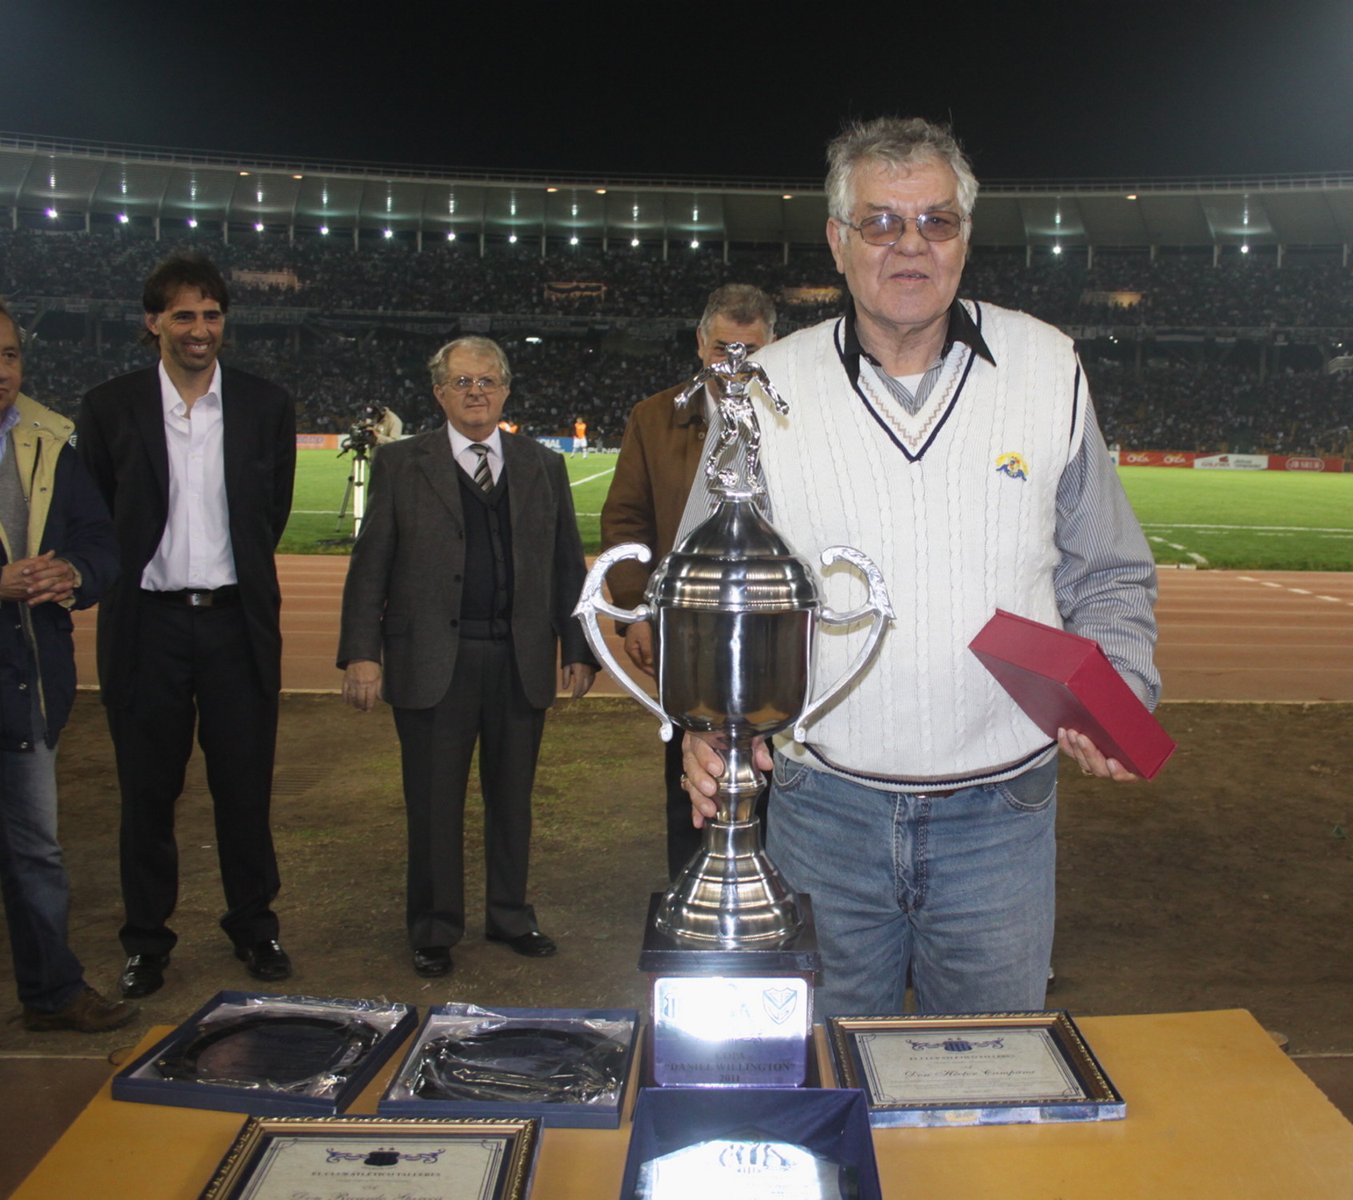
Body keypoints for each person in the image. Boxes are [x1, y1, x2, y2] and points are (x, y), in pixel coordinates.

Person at [682, 117, 1159, 1018]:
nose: (911, 245)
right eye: (881, 223)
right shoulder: (758, 391)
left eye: (936, 222)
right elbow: (711, 597)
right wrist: (710, 723)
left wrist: (1120, 685)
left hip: (1001, 821)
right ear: (837, 239)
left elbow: (1109, 571)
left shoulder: (1048, 365)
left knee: (989, 1086)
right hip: (823, 811)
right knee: (821, 1078)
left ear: (965, 239)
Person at [337, 336, 598, 979]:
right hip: (432, 660)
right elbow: (370, 565)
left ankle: (510, 914)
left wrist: (579, 647)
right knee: (433, 802)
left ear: (506, 390)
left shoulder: (542, 464)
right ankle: (433, 927)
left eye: (487, 381)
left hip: (519, 659)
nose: (475, 392)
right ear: (439, 393)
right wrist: (360, 654)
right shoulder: (402, 464)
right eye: (461, 382)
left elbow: (568, 565)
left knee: (514, 800)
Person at [77, 252, 297, 999]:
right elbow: (103, 516)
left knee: (245, 790)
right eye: (183, 315)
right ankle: (146, 941)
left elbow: (273, 515)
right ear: (153, 323)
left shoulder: (266, 405)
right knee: (147, 793)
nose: (199, 329)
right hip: (149, 626)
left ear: (223, 323)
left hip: (236, 625)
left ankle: (254, 926)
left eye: (210, 315)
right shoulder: (110, 407)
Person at [600, 284, 777, 879]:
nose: (734, 361)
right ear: (700, 343)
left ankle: (765, 891)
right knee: (689, 774)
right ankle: (692, 891)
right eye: (723, 346)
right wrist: (637, 609)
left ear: (770, 349)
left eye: (749, 350)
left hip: (770, 629)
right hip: (684, 630)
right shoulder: (654, 418)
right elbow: (625, 521)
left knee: (777, 771)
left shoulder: (790, 420)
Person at [0, 300, 136, 1033]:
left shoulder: (51, 441)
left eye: (11, 355)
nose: (2, 370)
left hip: (25, 678)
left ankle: (52, 991)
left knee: (36, 853)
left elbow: (99, 541)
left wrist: (74, 576)